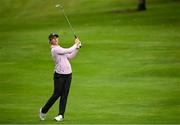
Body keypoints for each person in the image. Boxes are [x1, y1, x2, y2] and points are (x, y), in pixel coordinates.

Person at [39, 33, 81, 121]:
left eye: (56, 38)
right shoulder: (54, 50)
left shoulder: (60, 48)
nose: (55, 39)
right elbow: (68, 50)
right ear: (50, 41)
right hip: (59, 75)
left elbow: (70, 56)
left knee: (64, 95)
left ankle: (61, 115)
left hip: (68, 74)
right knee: (56, 94)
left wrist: (77, 48)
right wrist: (76, 44)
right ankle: (43, 110)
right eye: (53, 38)